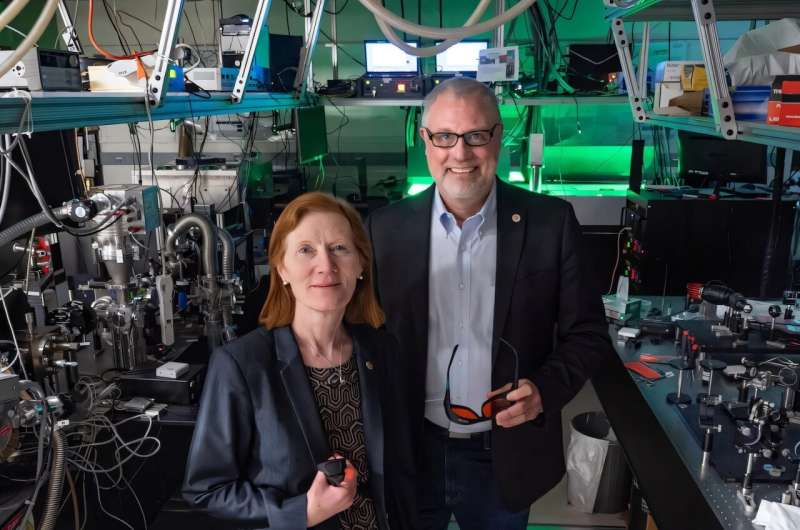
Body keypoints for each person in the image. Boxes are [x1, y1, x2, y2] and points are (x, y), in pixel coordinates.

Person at [366, 77, 615, 530]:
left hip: (503, 453)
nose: (460, 154)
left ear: (499, 138)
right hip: (412, 451)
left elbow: (588, 334)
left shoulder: (550, 223)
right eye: (445, 136)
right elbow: (362, 337)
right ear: (425, 141)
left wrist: (544, 392)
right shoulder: (384, 229)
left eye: (476, 136)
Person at [184, 192, 416, 530]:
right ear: (282, 269)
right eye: (306, 250)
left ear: (361, 265)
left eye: (340, 248)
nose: (326, 265)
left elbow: (402, 470)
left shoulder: (382, 350)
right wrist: (300, 513)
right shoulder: (242, 365)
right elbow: (207, 489)